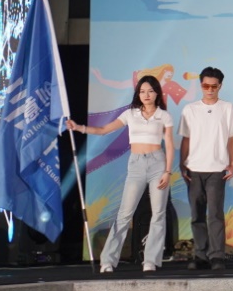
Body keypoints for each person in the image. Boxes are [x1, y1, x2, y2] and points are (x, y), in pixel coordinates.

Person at [70, 74, 175, 272]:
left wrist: (167, 171)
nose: (146, 95)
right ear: (138, 94)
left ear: (157, 93)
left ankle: (150, 261)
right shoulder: (130, 114)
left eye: (150, 91)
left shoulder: (164, 116)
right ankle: (108, 261)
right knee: (124, 214)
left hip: (158, 164)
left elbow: (169, 144)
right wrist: (79, 128)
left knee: (158, 213)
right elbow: (104, 130)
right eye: (142, 91)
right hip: (136, 164)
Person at [179, 66, 233, 270]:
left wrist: (232, 163)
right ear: (201, 85)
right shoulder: (190, 109)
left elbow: (232, 139)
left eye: (214, 86)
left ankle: (217, 256)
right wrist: (182, 164)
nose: (210, 89)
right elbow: (186, 139)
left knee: (215, 213)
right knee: (197, 214)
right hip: (194, 168)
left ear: (220, 86)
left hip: (217, 168)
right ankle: (200, 255)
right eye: (206, 86)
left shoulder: (228, 108)